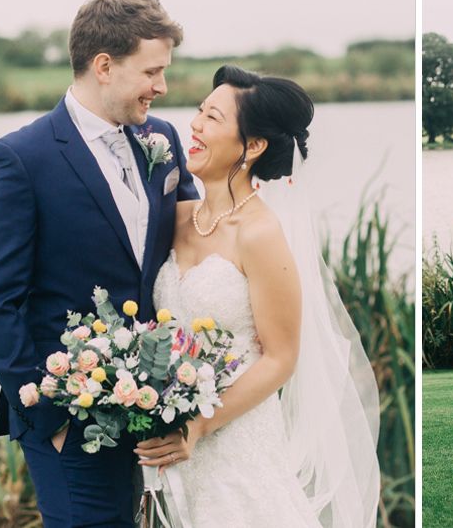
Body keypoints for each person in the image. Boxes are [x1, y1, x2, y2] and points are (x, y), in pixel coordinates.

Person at [0, 0, 197, 525]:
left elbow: (194, 240)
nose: (162, 87)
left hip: (158, 413)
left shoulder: (160, 139)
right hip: (71, 424)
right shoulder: (19, 160)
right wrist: (52, 414)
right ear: (104, 65)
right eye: (151, 72)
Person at [135, 65, 381, 526]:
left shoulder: (262, 234)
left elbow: (280, 357)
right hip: (176, 454)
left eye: (213, 118)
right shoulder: (177, 217)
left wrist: (199, 424)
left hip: (236, 443)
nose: (195, 125)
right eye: (199, 112)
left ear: (252, 146)